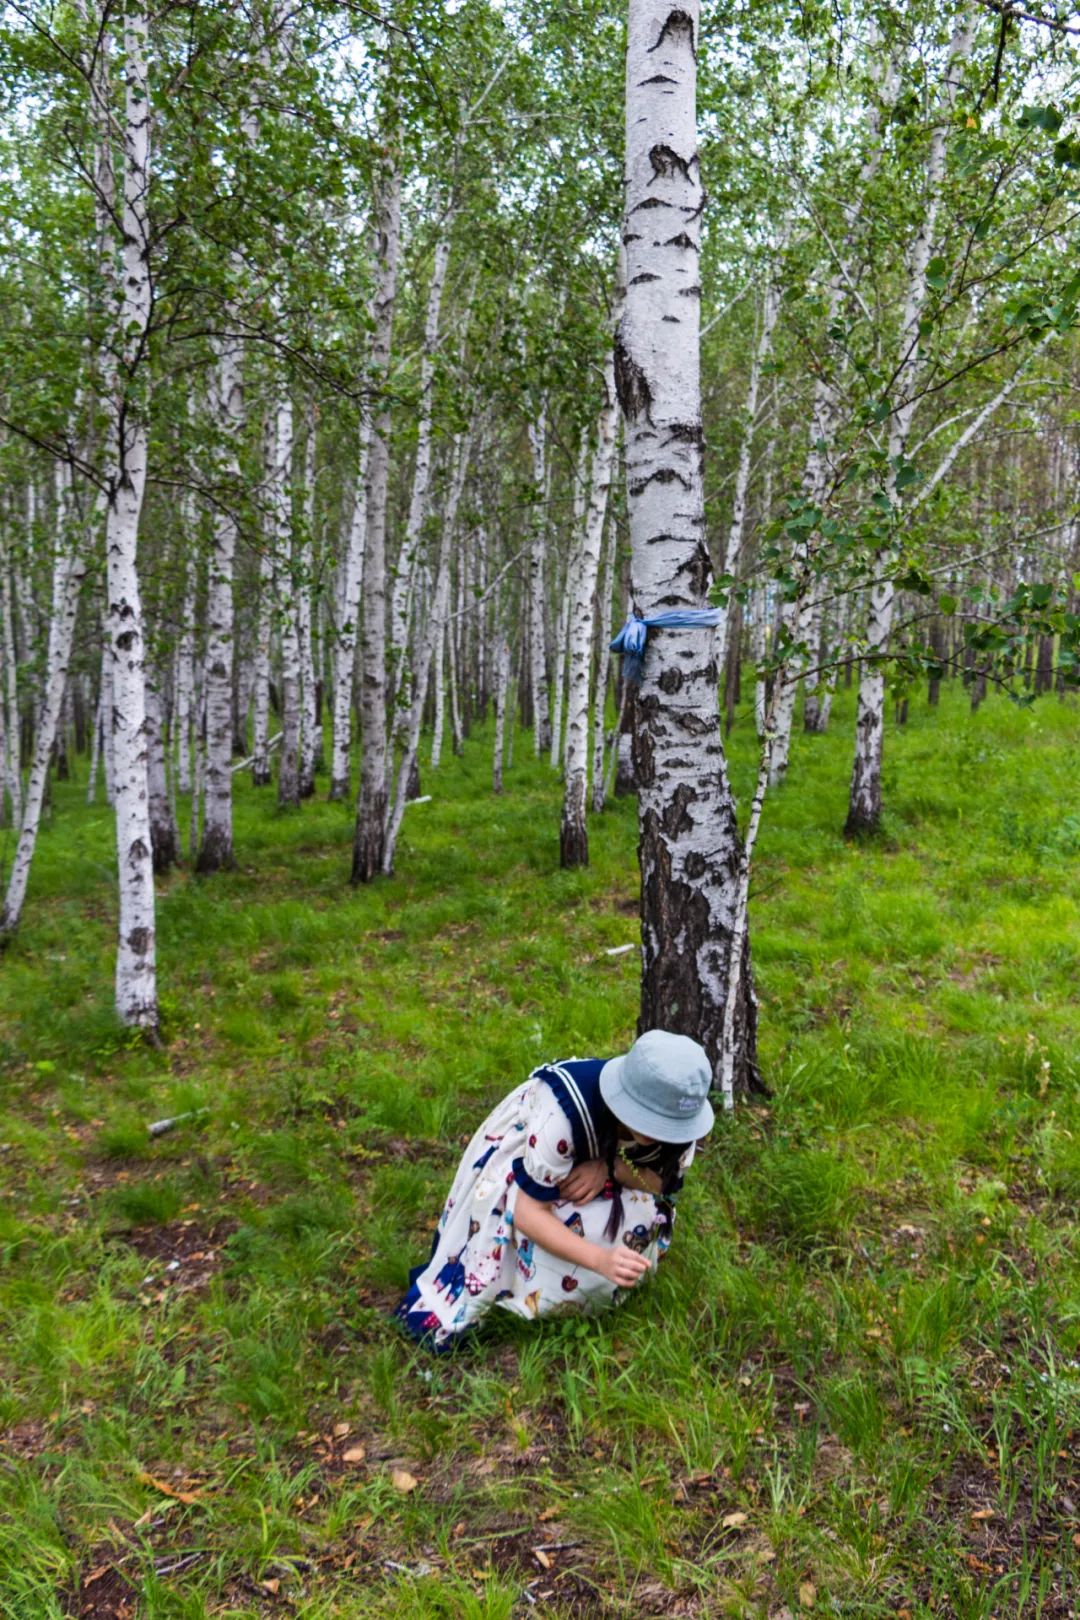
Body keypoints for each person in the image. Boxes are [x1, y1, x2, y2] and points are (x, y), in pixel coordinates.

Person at [394, 1029, 714, 1351]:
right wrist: (600, 1260)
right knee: (549, 1235)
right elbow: (526, 1212)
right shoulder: (561, 1113)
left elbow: (663, 1185)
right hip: (532, 1166)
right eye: (651, 1120)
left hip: (600, 1164)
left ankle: (583, 1287)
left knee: (638, 1216)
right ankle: (535, 1291)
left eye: (667, 1124)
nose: (659, 1133)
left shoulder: (681, 1127)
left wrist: (609, 1167)